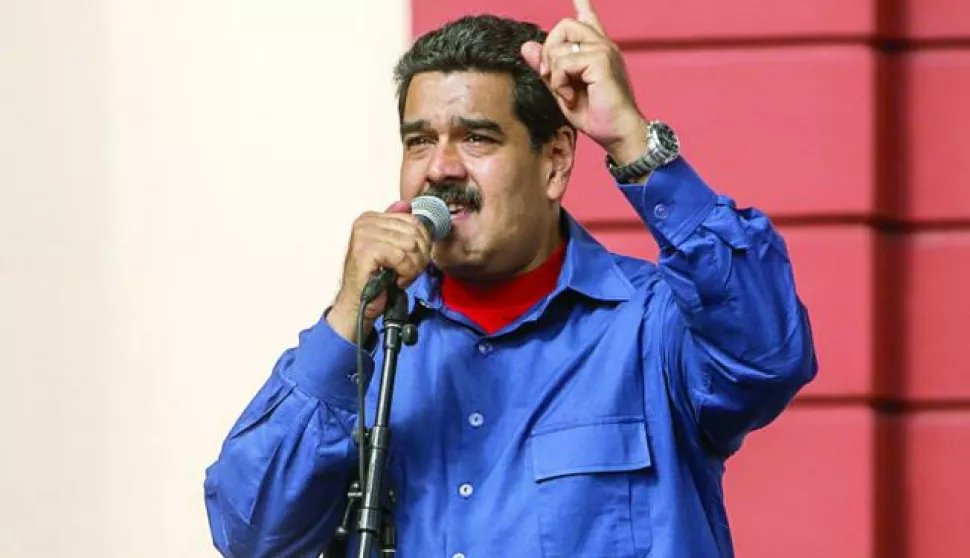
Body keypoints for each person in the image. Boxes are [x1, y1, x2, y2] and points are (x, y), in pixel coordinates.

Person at [203, 1, 818, 556]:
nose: (440, 168)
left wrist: (633, 140)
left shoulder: (651, 326)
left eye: (476, 137)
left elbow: (768, 358)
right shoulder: (367, 350)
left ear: (554, 162)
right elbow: (252, 535)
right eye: (419, 142)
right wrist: (347, 318)